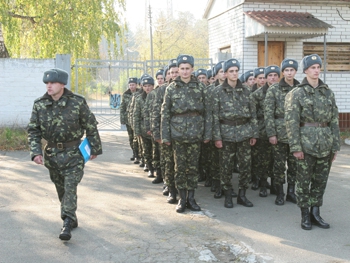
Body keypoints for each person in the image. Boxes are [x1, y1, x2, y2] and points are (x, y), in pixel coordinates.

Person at [27, 68, 102, 241]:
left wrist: (95, 148)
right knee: (61, 188)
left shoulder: (77, 102)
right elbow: (33, 130)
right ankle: (71, 217)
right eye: (47, 83)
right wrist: (35, 152)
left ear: (62, 84)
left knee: (70, 187)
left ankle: (67, 221)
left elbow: (90, 126)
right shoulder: (39, 104)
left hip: (74, 154)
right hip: (52, 155)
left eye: (52, 83)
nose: (49, 86)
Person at [285, 54, 340, 230]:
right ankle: (304, 214)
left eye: (318, 67)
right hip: (305, 145)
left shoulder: (327, 92)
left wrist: (335, 145)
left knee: (320, 181)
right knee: (303, 181)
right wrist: (295, 147)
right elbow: (291, 122)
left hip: (325, 143)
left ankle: (315, 213)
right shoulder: (297, 93)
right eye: (313, 67)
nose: (316, 70)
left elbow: (334, 120)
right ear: (306, 70)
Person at [161, 54, 212, 213]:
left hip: (196, 133)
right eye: (182, 69)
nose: (184, 72)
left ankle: (191, 197)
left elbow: (208, 112)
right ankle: (182, 199)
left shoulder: (201, 87)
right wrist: (166, 135)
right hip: (178, 134)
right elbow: (165, 113)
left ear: (192, 69)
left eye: (187, 69)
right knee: (180, 167)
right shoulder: (171, 88)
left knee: (193, 167)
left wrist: (207, 133)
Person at [212, 58, 258, 208]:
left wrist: (254, 133)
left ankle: (242, 195)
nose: (234, 74)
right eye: (230, 71)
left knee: (245, 165)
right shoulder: (218, 92)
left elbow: (253, 114)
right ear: (225, 73)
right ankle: (227, 194)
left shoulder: (246, 91)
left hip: (244, 133)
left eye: (236, 71)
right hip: (226, 134)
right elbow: (215, 117)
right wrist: (217, 137)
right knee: (226, 166)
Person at [264, 58, 300, 205]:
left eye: (292, 70)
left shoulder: (301, 88)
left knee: (294, 165)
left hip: (297, 134)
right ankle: (279, 192)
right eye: (286, 70)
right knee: (279, 165)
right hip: (279, 133)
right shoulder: (274, 89)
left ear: (296, 71)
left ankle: (291, 192)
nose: (289, 73)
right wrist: (271, 133)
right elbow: (268, 113)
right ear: (282, 72)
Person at [250, 65, 280, 198]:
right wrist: (255, 133)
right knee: (263, 159)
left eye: (275, 75)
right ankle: (263, 184)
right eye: (270, 76)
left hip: (279, 130)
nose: (272, 78)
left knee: (277, 159)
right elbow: (253, 116)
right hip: (263, 130)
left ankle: (275, 185)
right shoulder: (257, 94)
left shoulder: (283, 92)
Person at [134, 76, 155, 178]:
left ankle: (158, 170)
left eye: (149, 86)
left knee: (156, 152)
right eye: (145, 86)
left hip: (155, 129)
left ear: (153, 86)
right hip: (143, 130)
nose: (147, 88)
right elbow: (136, 115)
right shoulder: (139, 99)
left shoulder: (157, 96)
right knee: (146, 150)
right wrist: (137, 131)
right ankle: (150, 168)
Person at [120, 77, 139, 161]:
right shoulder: (125, 94)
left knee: (137, 137)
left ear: (136, 85)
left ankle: (139, 154)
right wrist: (122, 120)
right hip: (128, 119)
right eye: (130, 85)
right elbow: (122, 107)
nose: (132, 86)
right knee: (131, 137)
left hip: (137, 119)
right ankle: (134, 153)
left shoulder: (140, 93)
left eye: (133, 85)